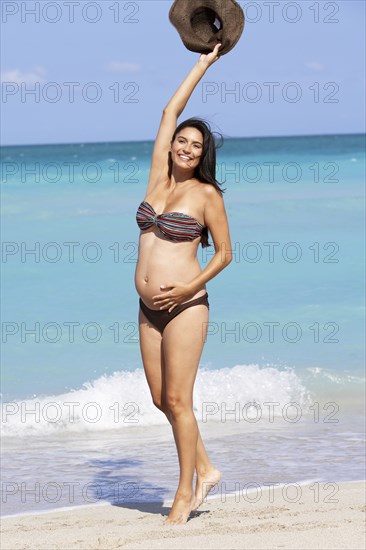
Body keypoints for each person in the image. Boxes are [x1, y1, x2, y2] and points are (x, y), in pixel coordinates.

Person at [135, 43, 232, 525]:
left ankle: (184, 492)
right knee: (160, 399)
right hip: (146, 308)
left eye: (197, 146)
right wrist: (202, 64)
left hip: (186, 306)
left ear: (203, 155)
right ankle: (208, 467)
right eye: (183, 142)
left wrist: (188, 286)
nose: (187, 149)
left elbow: (227, 254)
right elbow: (170, 110)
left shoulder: (206, 194)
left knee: (179, 400)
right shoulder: (157, 180)